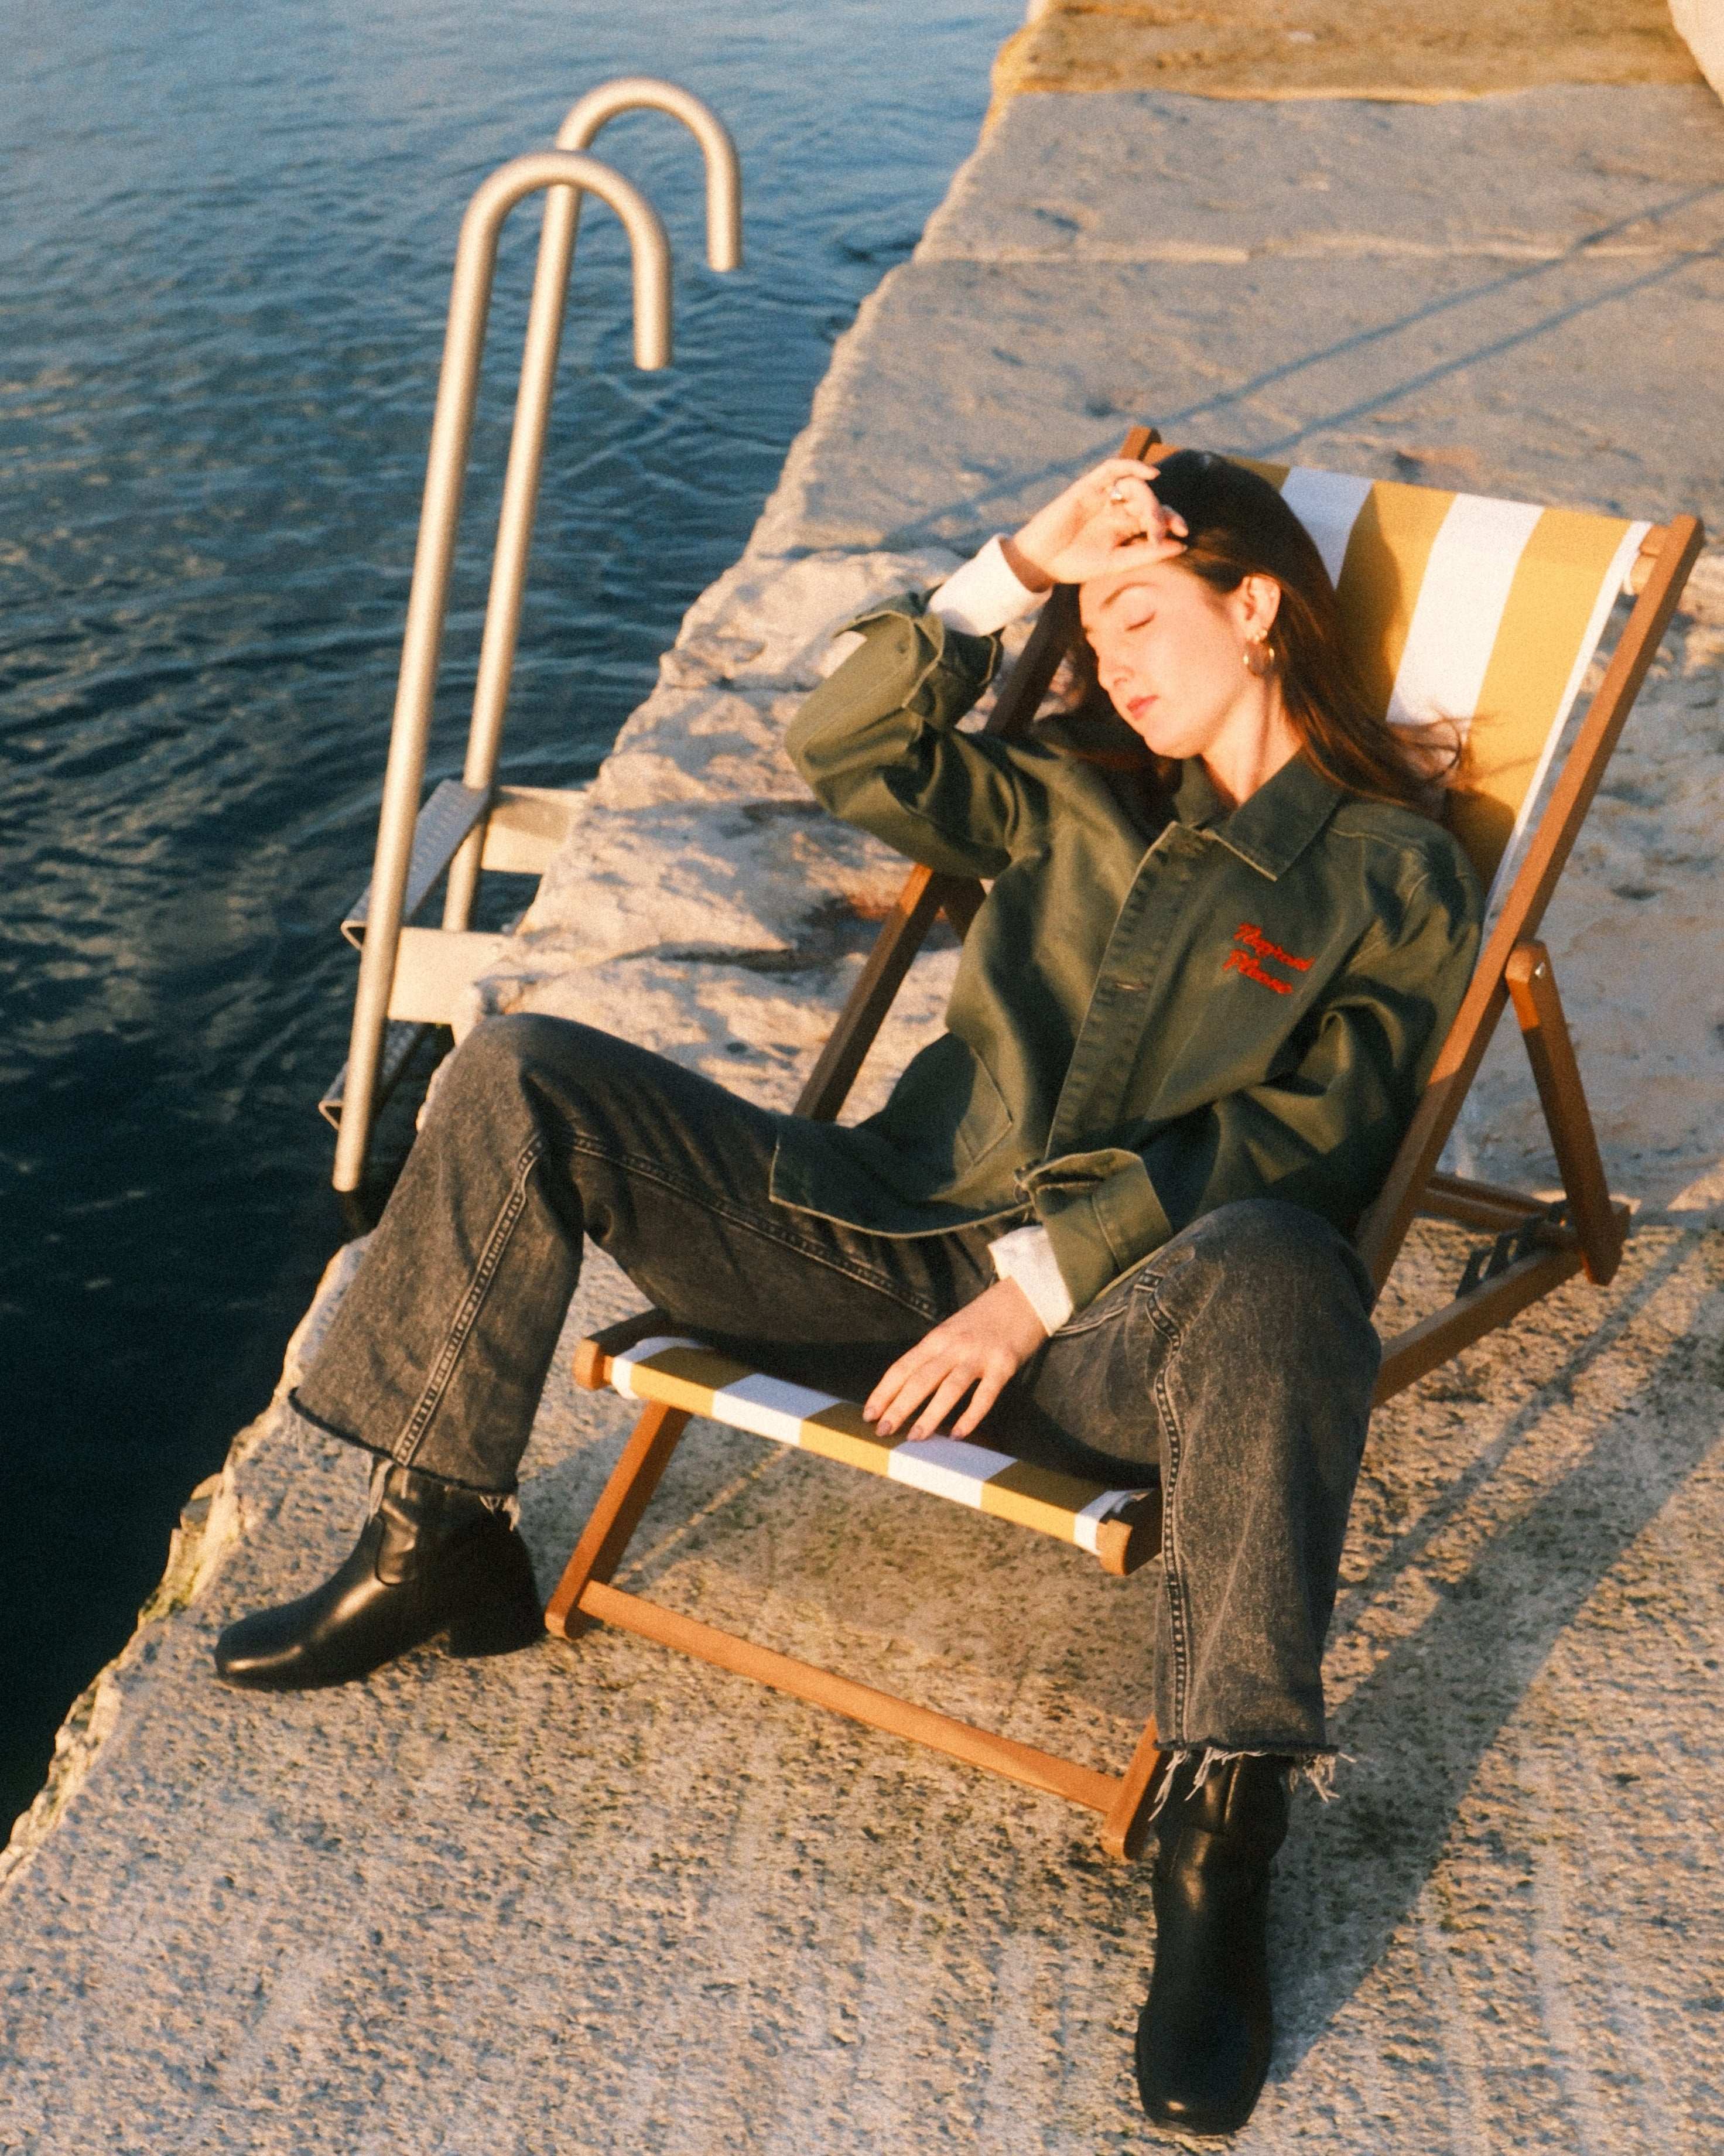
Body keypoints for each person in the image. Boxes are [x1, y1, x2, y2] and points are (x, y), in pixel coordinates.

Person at [215, 449, 1482, 2136]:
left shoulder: (1390, 871)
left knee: (1286, 1265)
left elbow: (1311, 1139)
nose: (1111, 660)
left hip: (1106, 1339)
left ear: (1256, 608)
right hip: (878, 1244)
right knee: (520, 1069)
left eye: (1139, 614)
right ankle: (435, 1537)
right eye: (1094, 626)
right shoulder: (1073, 795)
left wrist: (1036, 1290)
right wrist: (1022, 565)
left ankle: (1217, 1827)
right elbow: (845, 743)